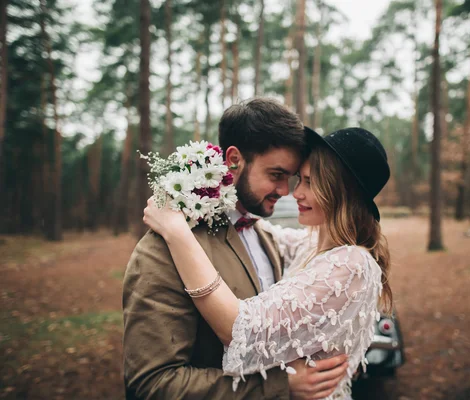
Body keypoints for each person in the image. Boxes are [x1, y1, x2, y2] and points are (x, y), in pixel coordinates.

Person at [143, 127, 394, 399]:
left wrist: (176, 232)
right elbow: (253, 227)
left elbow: (240, 329)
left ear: (340, 192)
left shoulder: (351, 263)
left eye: (310, 182)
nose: (295, 192)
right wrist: (215, 181)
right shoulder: (310, 245)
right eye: (300, 179)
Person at [123, 98, 348, 400]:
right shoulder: (165, 248)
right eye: (276, 175)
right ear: (233, 160)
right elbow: (151, 385)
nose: (285, 192)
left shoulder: (265, 237)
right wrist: (279, 387)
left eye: (290, 178)